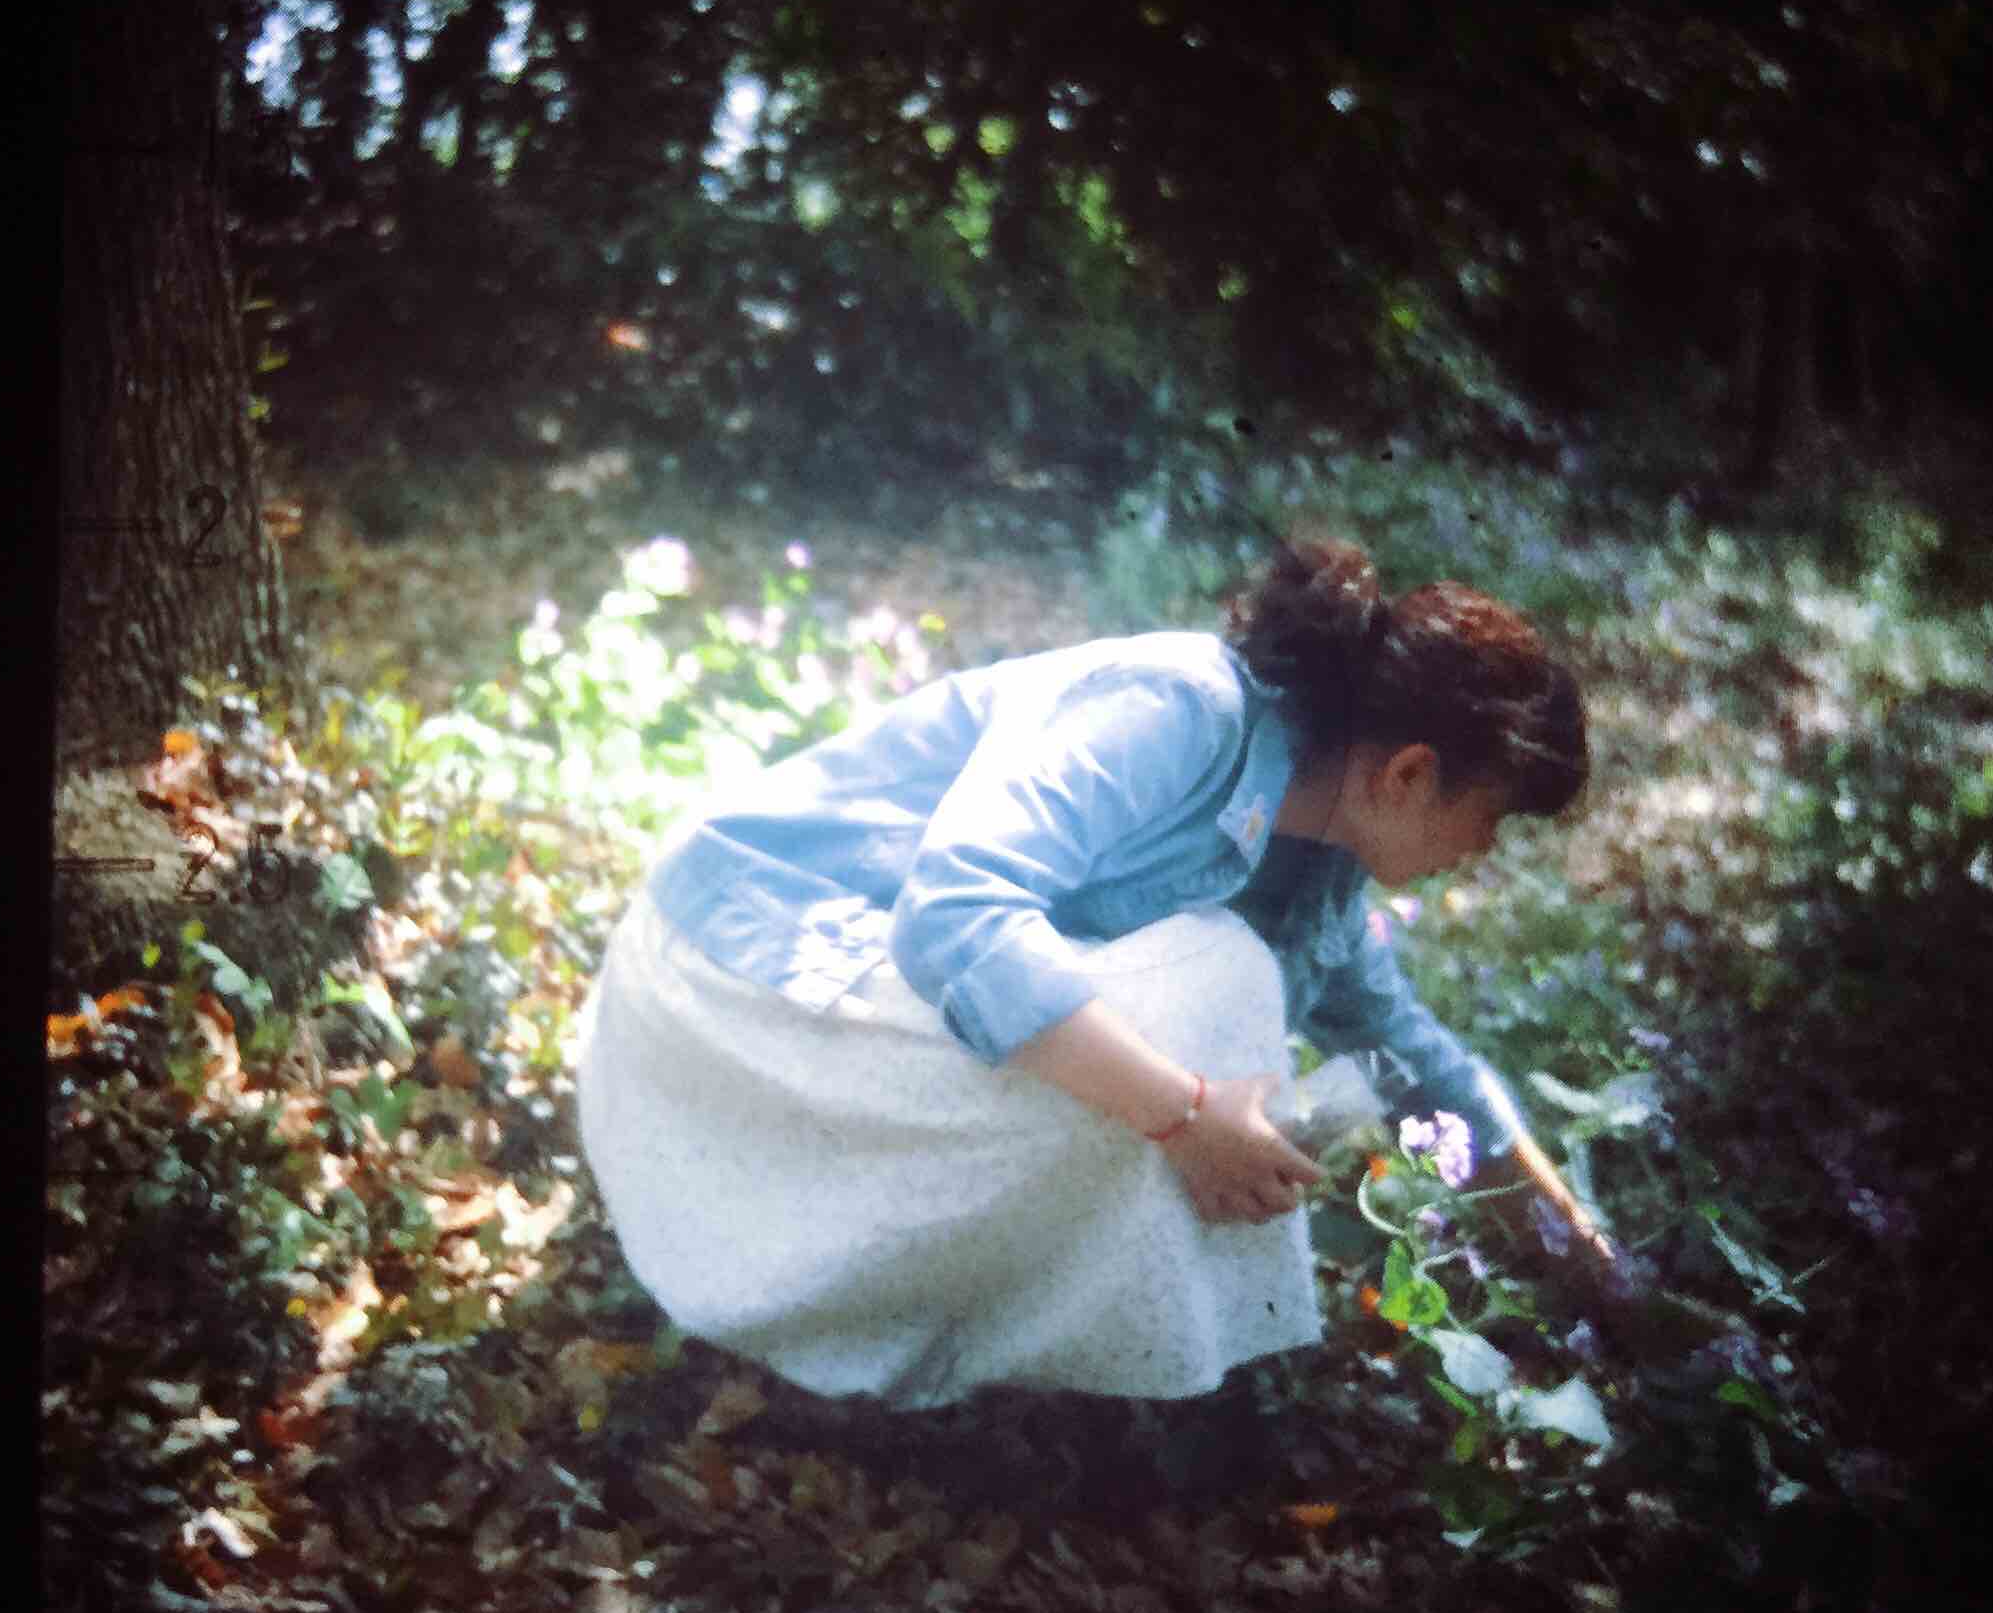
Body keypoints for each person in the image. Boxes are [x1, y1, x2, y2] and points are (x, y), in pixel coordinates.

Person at [574, 536, 1603, 1465]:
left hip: (848, 1013)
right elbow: (953, 915)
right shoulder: (1179, 706)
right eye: (1493, 820)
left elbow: (1411, 1062)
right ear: (1412, 774)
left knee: (1230, 1022)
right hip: (734, 977)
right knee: (1216, 984)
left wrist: (1593, 1267)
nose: (1481, 855)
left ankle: (1135, 1392)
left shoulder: (1325, 867)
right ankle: (906, 1360)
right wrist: (1186, 1118)